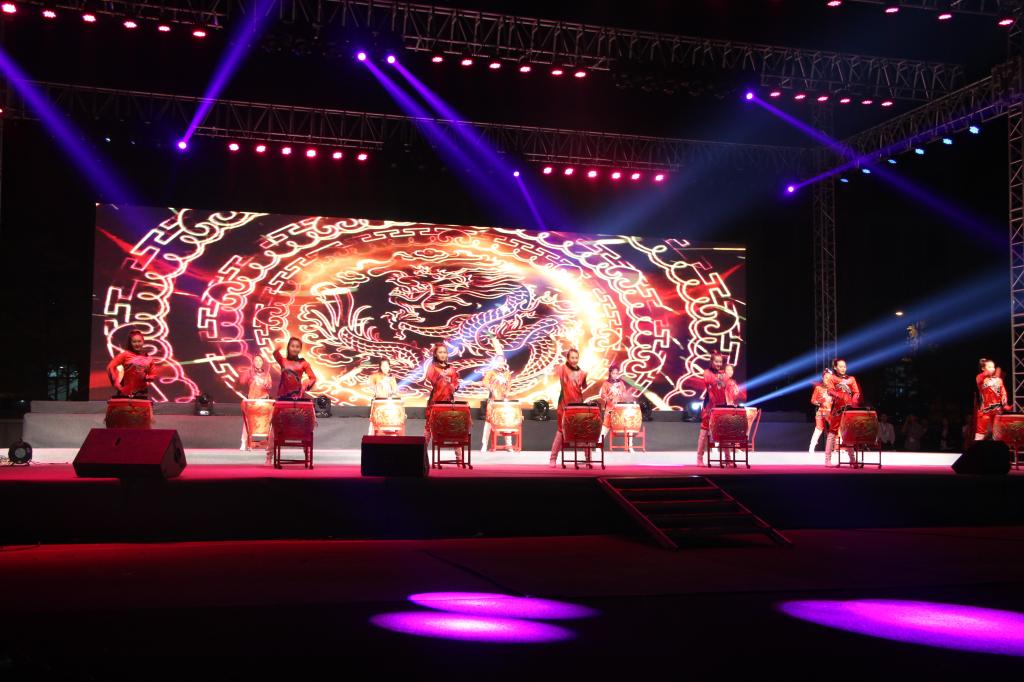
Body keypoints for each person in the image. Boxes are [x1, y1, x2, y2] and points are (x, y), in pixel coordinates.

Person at [549, 348, 589, 467]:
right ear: (568, 358)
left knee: (583, 431)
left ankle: (588, 459)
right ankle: (553, 459)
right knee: (561, 431)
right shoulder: (562, 369)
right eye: (572, 357)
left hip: (578, 406)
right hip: (564, 406)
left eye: (576, 358)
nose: (574, 360)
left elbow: (583, 386)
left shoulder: (582, 373)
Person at [424, 343, 462, 460]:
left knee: (453, 427)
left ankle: (459, 457)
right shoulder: (432, 367)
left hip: (449, 402)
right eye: (440, 352)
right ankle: (422, 454)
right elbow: (431, 380)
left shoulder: (451, 369)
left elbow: (456, 385)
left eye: (444, 352)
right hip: (435, 402)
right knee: (429, 427)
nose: (443, 354)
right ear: (435, 354)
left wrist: (452, 384)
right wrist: (441, 375)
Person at [823, 358, 861, 466]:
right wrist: (840, 396)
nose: (843, 368)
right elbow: (830, 390)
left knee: (849, 434)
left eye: (844, 366)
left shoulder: (851, 379)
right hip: (837, 410)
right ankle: (827, 460)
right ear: (835, 367)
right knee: (832, 433)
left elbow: (856, 392)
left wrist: (853, 400)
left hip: (849, 410)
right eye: (840, 366)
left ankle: (852, 459)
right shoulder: (832, 378)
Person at [695, 352, 730, 466]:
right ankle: (699, 458)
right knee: (704, 432)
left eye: (720, 362)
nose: (719, 364)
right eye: (716, 361)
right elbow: (711, 382)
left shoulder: (724, 373)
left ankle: (728, 458)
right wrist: (719, 379)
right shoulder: (707, 372)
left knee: (724, 432)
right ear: (711, 362)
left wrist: (721, 378)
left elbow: (724, 384)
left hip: (722, 405)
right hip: (709, 405)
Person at [106, 329, 162, 398]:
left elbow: (153, 374)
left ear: (143, 342)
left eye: (139, 341)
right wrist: (115, 382)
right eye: (134, 342)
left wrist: (149, 378)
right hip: (125, 392)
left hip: (141, 393)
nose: (137, 344)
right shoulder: (125, 355)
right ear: (131, 343)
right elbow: (110, 367)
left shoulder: (149, 358)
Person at [481, 344, 513, 453]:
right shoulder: (491, 372)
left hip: (503, 402)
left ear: (504, 362)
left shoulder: (507, 374)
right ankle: (484, 444)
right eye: (498, 361)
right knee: (488, 422)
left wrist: (507, 392)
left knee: (506, 422)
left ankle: (508, 445)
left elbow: (509, 385)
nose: (500, 363)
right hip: (492, 401)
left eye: (502, 361)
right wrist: (490, 387)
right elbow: (485, 381)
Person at [240, 354, 273, 450]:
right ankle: (244, 442)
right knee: (247, 422)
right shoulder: (250, 372)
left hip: (263, 401)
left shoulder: (267, 374)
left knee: (267, 422)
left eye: (260, 360)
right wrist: (248, 373)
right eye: (256, 360)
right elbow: (242, 382)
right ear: (253, 362)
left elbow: (269, 386)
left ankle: (267, 443)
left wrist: (267, 384)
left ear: (262, 362)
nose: (258, 362)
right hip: (252, 401)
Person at [599, 366, 634, 451]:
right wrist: (609, 398)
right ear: (610, 374)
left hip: (620, 408)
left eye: (616, 373)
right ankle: (599, 445)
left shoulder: (621, 383)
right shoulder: (606, 383)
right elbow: (602, 394)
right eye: (613, 373)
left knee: (628, 426)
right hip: (610, 408)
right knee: (605, 427)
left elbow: (624, 394)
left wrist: (624, 395)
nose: (615, 375)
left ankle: (630, 446)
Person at [975, 357, 1008, 440]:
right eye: (989, 367)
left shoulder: (999, 380)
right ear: (983, 368)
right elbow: (982, 376)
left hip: (997, 411)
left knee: (997, 434)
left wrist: (1004, 398)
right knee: (981, 434)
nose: (992, 369)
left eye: (993, 367)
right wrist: (984, 366)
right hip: (985, 411)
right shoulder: (980, 378)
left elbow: (1003, 391)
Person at [368, 358, 400, 436]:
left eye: (387, 366)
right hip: (379, 403)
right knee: (377, 426)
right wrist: (380, 385)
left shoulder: (392, 377)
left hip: (389, 403)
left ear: (389, 366)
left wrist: (392, 392)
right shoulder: (375, 376)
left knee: (390, 425)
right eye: (383, 366)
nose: (385, 368)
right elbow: (371, 387)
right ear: (380, 367)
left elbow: (395, 390)